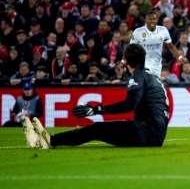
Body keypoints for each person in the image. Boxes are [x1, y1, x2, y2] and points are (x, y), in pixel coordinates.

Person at [23, 44, 169, 149]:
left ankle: (50, 140)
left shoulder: (137, 76)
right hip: (153, 133)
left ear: (127, 61)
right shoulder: (153, 78)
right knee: (100, 129)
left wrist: (96, 110)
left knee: (96, 129)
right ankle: (47, 140)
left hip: (147, 133)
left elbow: (129, 104)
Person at [128, 11, 188, 78]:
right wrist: (123, 62)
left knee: (154, 87)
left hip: (157, 66)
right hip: (142, 65)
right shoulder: (138, 31)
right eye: (150, 19)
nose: (152, 21)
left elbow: (171, 47)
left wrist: (179, 57)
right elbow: (130, 49)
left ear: (157, 20)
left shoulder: (163, 30)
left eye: (154, 19)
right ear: (145, 20)